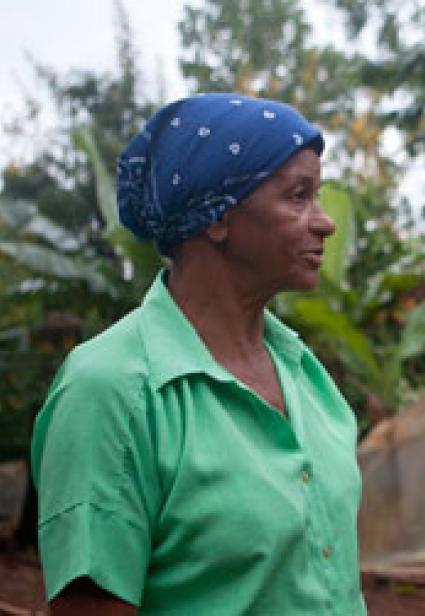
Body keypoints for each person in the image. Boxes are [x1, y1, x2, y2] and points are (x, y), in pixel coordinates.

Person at [31, 94, 366, 614]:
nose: (324, 223)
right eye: (298, 196)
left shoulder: (305, 374)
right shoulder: (113, 391)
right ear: (216, 216)